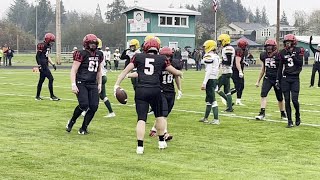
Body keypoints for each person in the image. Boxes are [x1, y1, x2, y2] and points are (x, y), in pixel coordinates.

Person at [114, 38, 183, 154]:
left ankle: (140, 147)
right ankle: (161, 142)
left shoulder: (138, 57)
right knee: (159, 116)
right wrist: (180, 73)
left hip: (141, 90)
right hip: (156, 90)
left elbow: (125, 71)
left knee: (141, 119)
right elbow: (174, 71)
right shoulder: (162, 59)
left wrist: (117, 85)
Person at [66, 34, 103, 134]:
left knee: (94, 106)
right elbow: (74, 70)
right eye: (91, 44)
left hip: (92, 83)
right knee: (84, 105)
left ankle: (83, 128)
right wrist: (73, 84)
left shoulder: (99, 54)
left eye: (94, 44)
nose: (93, 46)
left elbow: (99, 71)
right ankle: (72, 121)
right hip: (81, 82)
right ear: (86, 44)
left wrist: (100, 84)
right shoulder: (81, 53)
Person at [148, 46, 183, 141]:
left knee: (165, 114)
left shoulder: (173, 64)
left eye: (168, 56)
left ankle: (154, 129)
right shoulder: (158, 64)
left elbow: (176, 76)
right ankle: (165, 133)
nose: (166, 58)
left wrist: (179, 89)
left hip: (171, 92)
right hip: (160, 91)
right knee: (163, 114)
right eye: (165, 56)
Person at [276, 34, 304, 128]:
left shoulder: (298, 50)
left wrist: (293, 55)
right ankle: (289, 121)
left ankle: (297, 114)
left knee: (294, 100)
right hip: (285, 78)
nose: (287, 44)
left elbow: (300, 63)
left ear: (293, 43)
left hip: (295, 78)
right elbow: (280, 67)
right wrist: (277, 80)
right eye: (286, 42)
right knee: (287, 100)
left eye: (289, 42)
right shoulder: (282, 52)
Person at [255, 39, 287, 120]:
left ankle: (283, 113)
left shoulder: (279, 55)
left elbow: (283, 68)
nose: (268, 48)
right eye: (267, 47)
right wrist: (258, 81)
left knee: (280, 97)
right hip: (268, 78)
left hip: (277, 78)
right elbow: (263, 69)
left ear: (274, 47)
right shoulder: (263, 55)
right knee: (263, 94)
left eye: (270, 47)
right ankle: (262, 113)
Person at [199, 40, 220, 124]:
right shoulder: (216, 56)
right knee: (209, 100)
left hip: (210, 79)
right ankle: (206, 118)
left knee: (213, 100)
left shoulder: (209, 55)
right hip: (214, 78)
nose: (204, 48)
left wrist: (204, 82)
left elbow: (209, 70)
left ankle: (216, 119)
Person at [35, 33, 60, 101]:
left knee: (41, 81)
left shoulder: (48, 46)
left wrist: (52, 64)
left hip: (45, 64)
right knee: (51, 79)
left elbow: (47, 56)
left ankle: (37, 96)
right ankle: (52, 96)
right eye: (51, 41)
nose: (52, 43)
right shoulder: (42, 45)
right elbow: (37, 56)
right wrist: (39, 65)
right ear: (48, 40)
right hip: (43, 65)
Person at [216, 34, 234, 112]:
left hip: (226, 72)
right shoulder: (227, 48)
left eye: (221, 41)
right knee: (227, 91)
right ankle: (229, 106)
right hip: (227, 72)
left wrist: (221, 61)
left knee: (216, 87)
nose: (219, 43)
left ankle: (229, 104)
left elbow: (229, 62)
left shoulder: (228, 48)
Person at [98, 40, 115, 118]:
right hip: (103, 75)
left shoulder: (97, 53)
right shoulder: (103, 53)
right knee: (102, 95)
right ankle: (111, 112)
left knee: (93, 94)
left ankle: (86, 111)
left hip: (99, 76)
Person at [232, 39, 249, 106]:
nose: (246, 47)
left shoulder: (241, 50)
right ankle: (226, 95)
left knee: (241, 86)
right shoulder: (239, 50)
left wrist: (244, 62)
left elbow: (239, 60)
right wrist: (240, 71)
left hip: (238, 70)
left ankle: (238, 100)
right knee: (238, 86)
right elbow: (237, 62)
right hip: (235, 70)